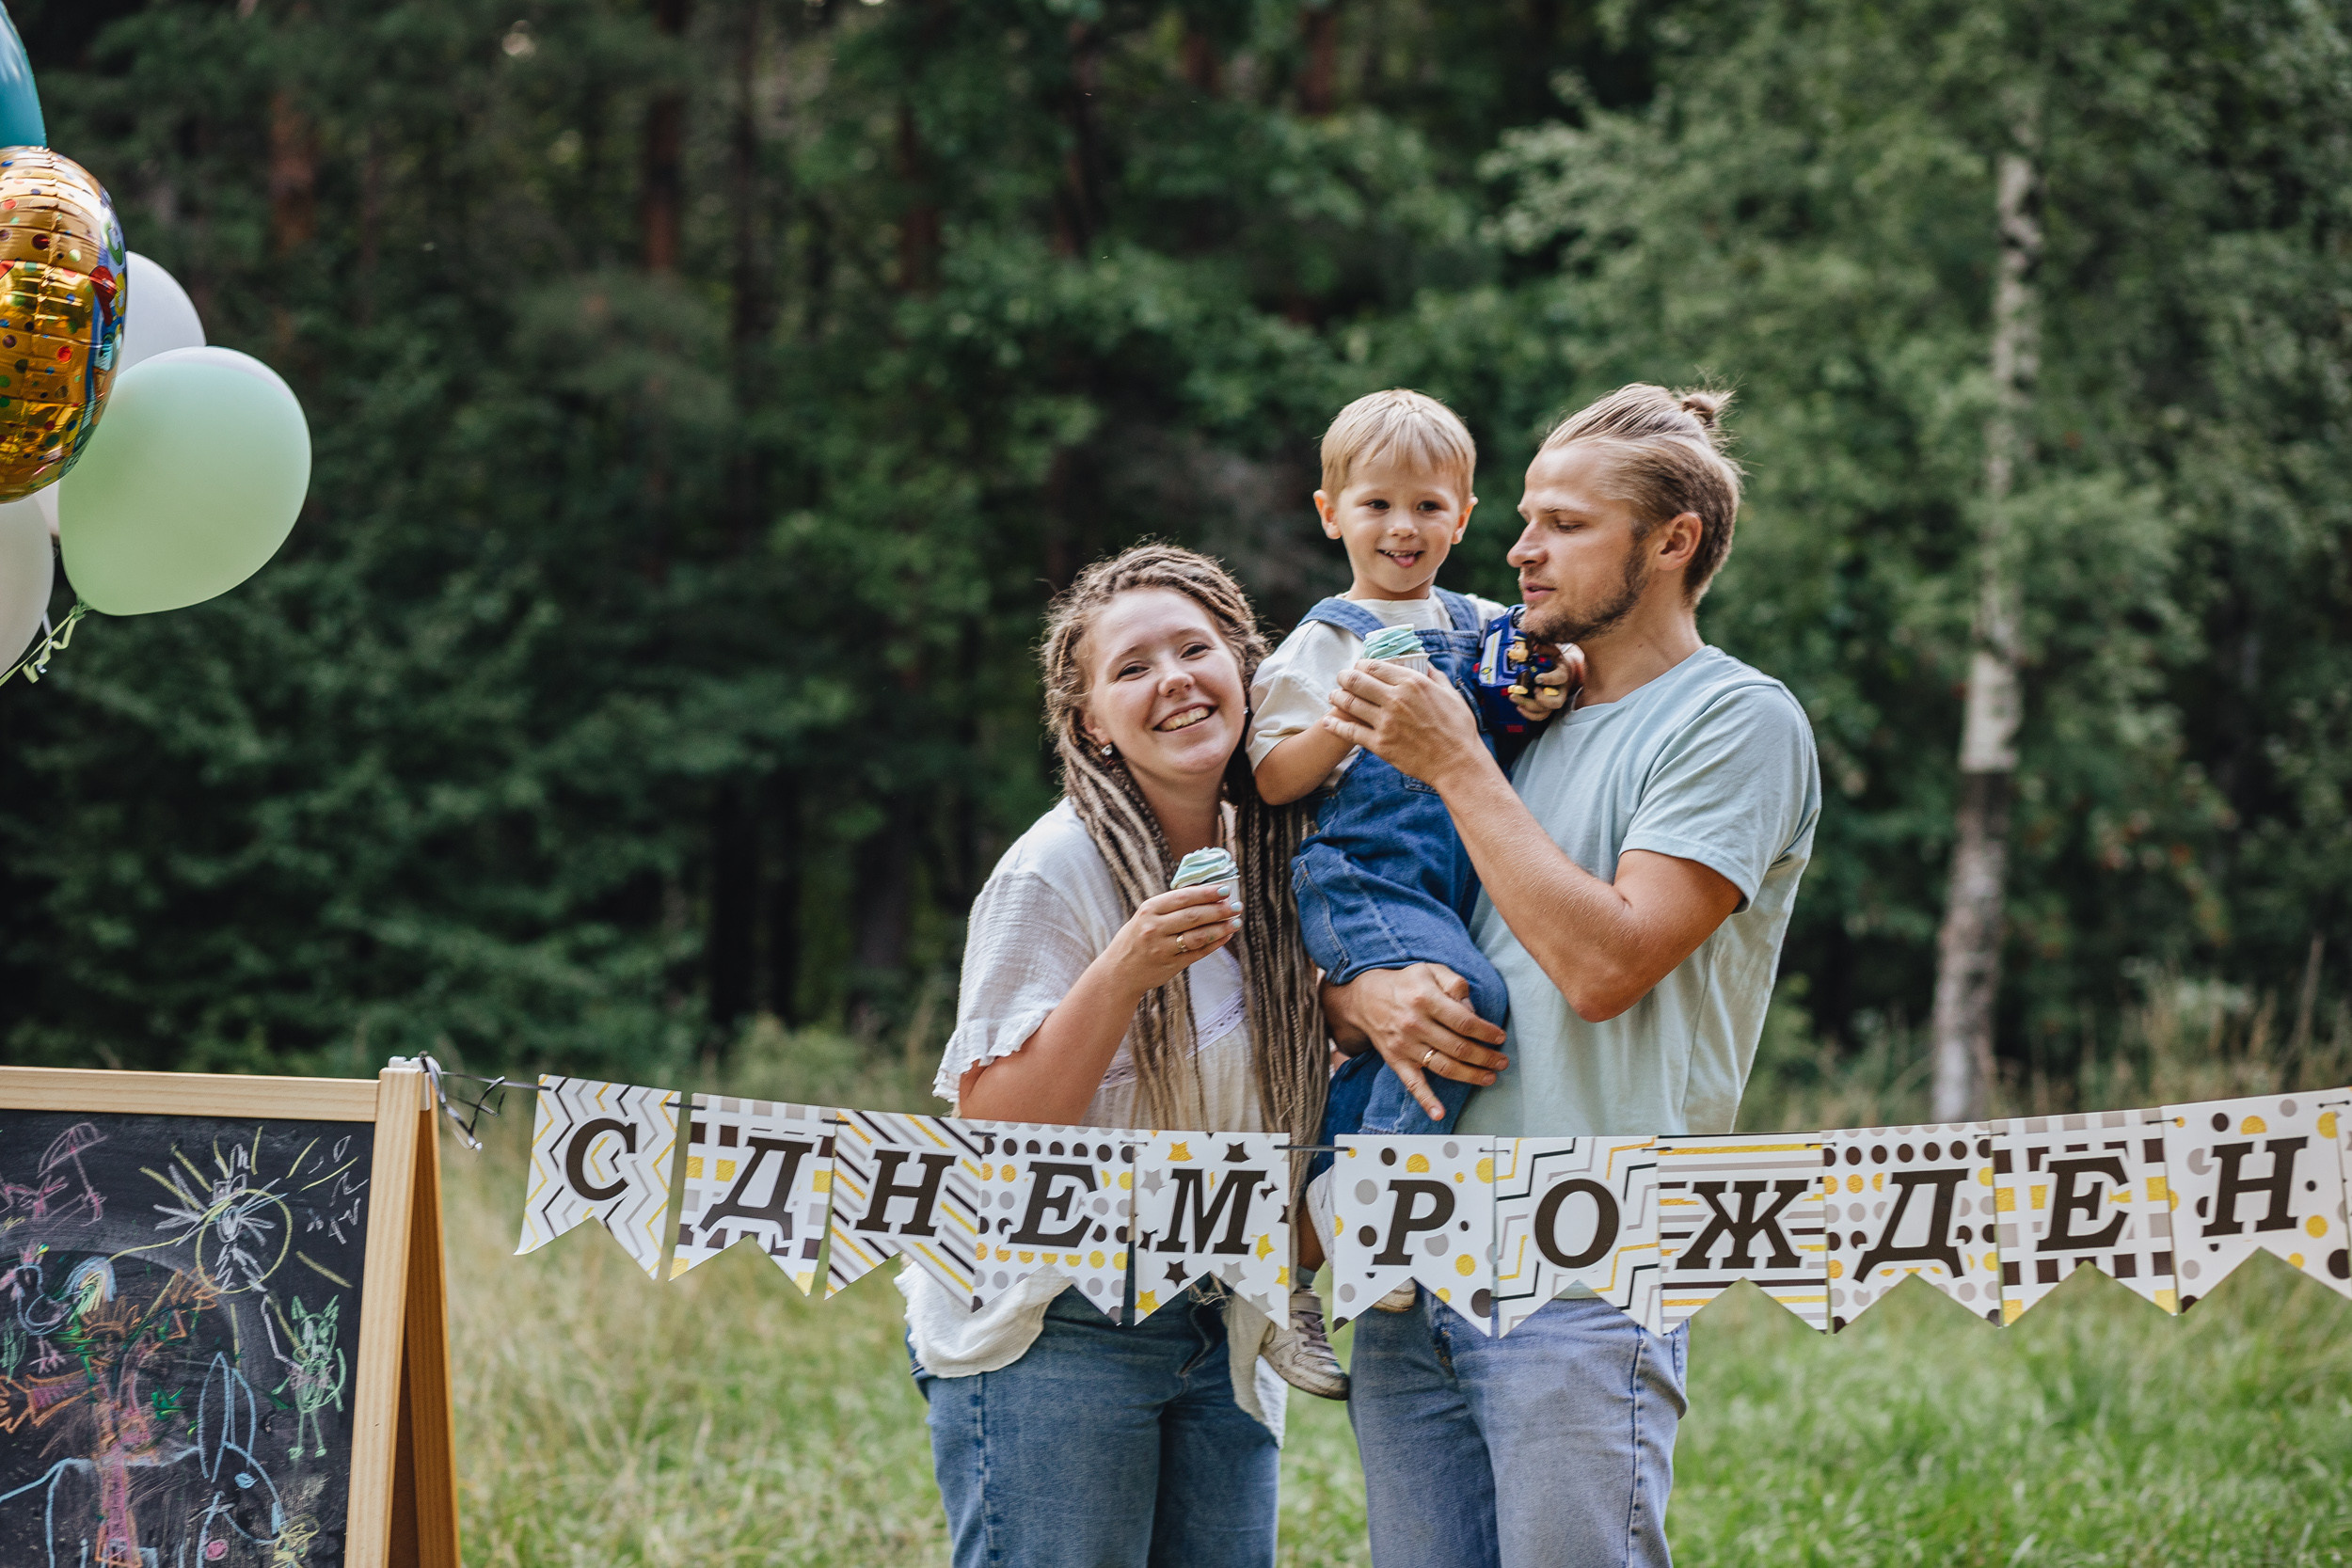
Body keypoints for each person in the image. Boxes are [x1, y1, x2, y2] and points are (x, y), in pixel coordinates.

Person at [1316, 385, 1822, 1568]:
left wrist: (1452, 763)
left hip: (1582, 1263)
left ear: (1672, 541)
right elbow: (1387, 910)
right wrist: (1355, 994)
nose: (1518, 549)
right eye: (1525, 518)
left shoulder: (1735, 721)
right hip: (1413, 1241)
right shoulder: (1517, 706)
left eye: (1563, 524)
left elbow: (1606, 964)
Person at [912, 544, 1341, 1568]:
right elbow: (996, 1134)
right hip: (1059, 1323)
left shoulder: (1290, 858)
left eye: (1195, 649)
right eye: (1132, 667)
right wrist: (1122, 970)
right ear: (1092, 721)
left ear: (1246, 672)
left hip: (1221, 1322)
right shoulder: (1052, 869)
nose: (1174, 681)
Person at [1248, 388, 1561, 1311]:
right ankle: (1372, 1211)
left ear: (1463, 515)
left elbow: (1539, 670)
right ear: (1329, 511)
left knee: (1435, 1024)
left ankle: (1317, 1193)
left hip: (1455, 876)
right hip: (1365, 873)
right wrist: (1347, 721)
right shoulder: (1323, 640)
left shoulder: (1476, 619)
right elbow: (1270, 776)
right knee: (1467, 1001)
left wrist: (1550, 681)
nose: (1402, 526)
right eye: (1377, 503)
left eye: (1428, 505)